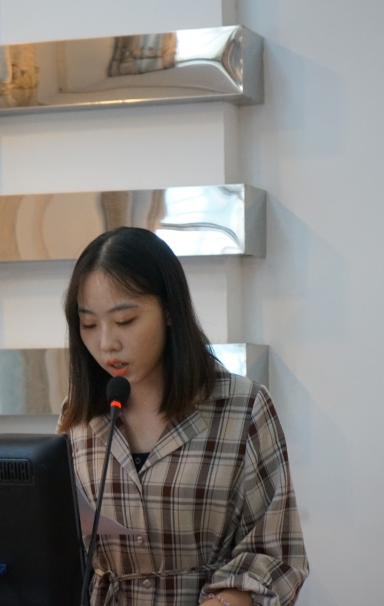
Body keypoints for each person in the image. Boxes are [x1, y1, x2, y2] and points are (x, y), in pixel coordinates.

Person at [58, 227, 309, 605]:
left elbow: (275, 556)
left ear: (170, 311)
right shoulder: (78, 416)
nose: (107, 342)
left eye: (125, 320)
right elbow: (60, 548)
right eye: (89, 324)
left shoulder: (242, 407)